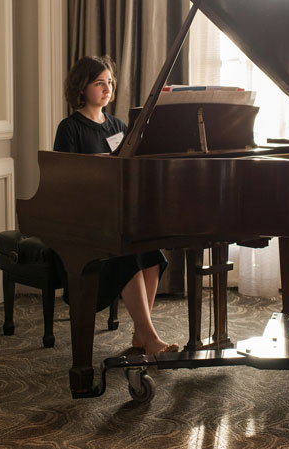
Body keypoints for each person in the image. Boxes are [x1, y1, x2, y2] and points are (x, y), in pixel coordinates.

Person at [53, 55, 178, 355]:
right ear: (81, 88)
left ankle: (141, 332)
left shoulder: (118, 125)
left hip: (117, 214)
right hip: (86, 221)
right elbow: (64, 180)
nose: (107, 88)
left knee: (153, 254)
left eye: (109, 82)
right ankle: (148, 335)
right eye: (99, 83)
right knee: (128, 256)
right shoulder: (69, 128)